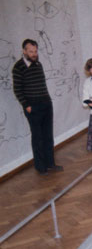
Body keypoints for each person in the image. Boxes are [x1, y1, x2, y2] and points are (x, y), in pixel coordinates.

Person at [12, 39, 63, 175]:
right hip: (33, 107)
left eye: (35, 51)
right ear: (24, 51)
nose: (34, 54)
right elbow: (17, 89)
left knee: (48, 136)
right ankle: (41, 167)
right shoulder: (18, 67)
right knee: (38, 137)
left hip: (46, 104)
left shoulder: (38, 64)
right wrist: (27, 106)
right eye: (31, 52)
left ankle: (50, 164)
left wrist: (47, 101)